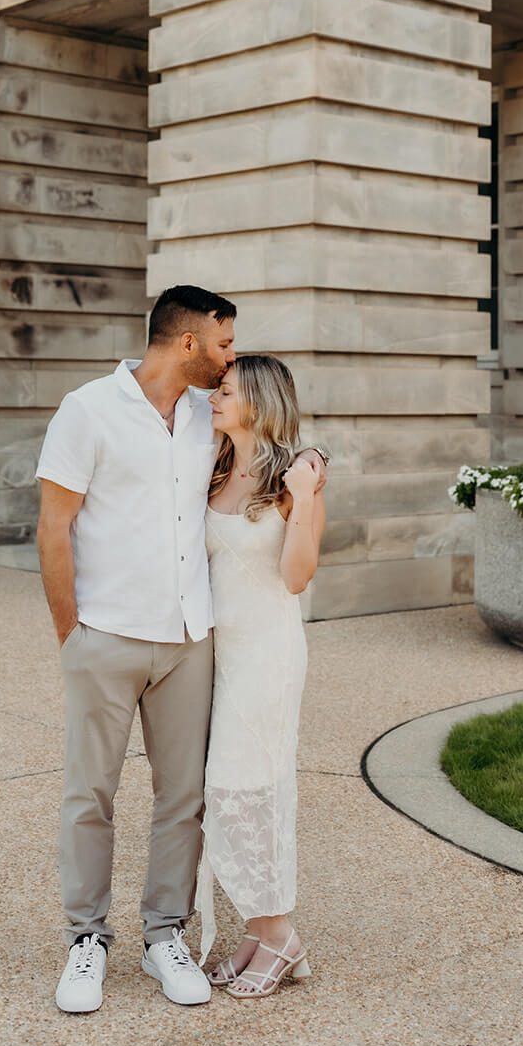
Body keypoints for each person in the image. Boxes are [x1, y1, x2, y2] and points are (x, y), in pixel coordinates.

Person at [35, 286, 326, 1015]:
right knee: (89, 795)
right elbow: (52, 528)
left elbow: (278, 440)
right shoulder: (87, 409)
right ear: (189, 343)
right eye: (225, 346)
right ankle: (86, 942)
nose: (233, 360)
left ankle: (164, 934)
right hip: (105, 634)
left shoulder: (208, 414)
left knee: (183, 800)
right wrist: (71, 634)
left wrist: (313, 470)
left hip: (193, 643)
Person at [196, 354, 325, 999]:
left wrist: (303, 499)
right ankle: (259, 927)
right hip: (218, 656)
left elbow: (298, 578)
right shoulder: (214, 467)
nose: (213, 398)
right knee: (225, 792)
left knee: (251, 790)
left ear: (258, 400)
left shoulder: (297, 479)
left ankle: (280, 935)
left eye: (223, 390)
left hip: (268, 655)